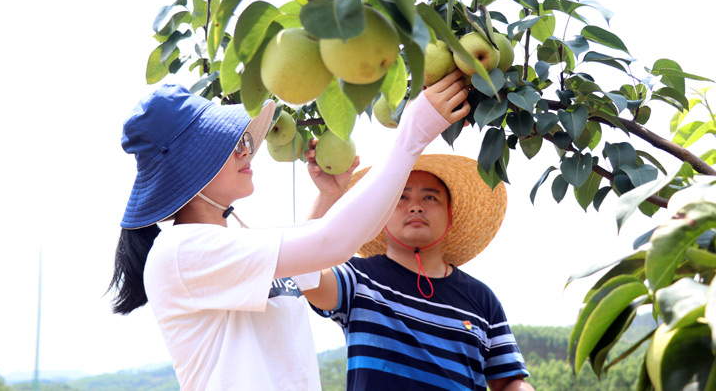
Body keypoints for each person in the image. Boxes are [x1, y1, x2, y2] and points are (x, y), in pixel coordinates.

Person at [107, 70, 471, 391]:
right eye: (231, 144)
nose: (245, 152)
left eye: (243, 142)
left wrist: (330, 196)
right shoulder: (182, 251)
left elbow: (319, 252)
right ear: (188, 170)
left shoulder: (231, 238)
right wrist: (410, 138)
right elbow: (333, 243)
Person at [302, 153, 534, 391]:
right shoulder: (358, 280)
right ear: (382, 214)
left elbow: (508, 381)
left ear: (450, 215)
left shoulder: (481, 298)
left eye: (430, 197)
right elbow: (304, 273)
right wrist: (328, 196)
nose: (415, 207)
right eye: (401, 198)